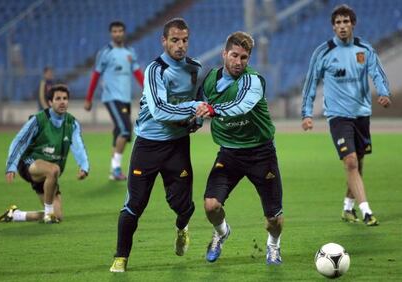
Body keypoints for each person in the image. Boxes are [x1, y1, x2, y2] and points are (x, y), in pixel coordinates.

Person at [109, 18, 203, 272]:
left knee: (184, 206)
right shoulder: (155, 70)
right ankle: (121, 257)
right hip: (148, 146)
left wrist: (197, 120)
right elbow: (160, 110)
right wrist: (194, 108)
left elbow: (200, 105)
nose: (180, 45)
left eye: (184, 40)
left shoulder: (196, 69)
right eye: (174, 40)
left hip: (177, 146)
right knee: (134, 204)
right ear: (164, 41)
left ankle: (182, 228)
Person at [196, 31, 284, 265]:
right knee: (211, 205)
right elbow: (198, 104)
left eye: (244, 57)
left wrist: (213, 111)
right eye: (234, 55)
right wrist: (193, 121)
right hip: (229, 153)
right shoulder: (209, 80)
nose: (238, 62)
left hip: (261, 153)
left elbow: (241, 105)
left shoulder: (253, 81)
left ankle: (273, 246)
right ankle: (222, 232)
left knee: (273, 219)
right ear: (224, 54)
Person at [301, 4, 391, 226]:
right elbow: (311, 82)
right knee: (350, 161)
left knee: (357, 163)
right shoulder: (323, 52)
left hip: (361, 114)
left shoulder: (364, 50)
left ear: (353, 24)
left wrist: (384, 93)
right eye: (338, 23)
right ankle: (366, 210)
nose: (342, 26)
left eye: (346, 22)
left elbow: (377, 73)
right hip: (338, 116)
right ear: (333, 27)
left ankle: (347, 208)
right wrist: (307, 113)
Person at [0, 85, 89, 224]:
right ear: (50, 102)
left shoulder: (72, 123)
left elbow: (78, 145)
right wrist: (11, 166)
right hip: (29, 163)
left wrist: (84, 166)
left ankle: (15, 215)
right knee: (53, 169)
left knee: (58, 216)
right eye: (58, 99)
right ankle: (48, 214)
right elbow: (19, 142)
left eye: (65, 98)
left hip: (49, 176)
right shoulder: (38, 120)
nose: (62, 102)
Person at [84, 21, 144, 181]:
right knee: (125, 130)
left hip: (125, 99)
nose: (117, 34)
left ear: (124, 33)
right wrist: (88, 98)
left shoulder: (130, 52)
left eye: (120, 31)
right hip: (111, 98)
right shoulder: (105, 52)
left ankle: (113, 170)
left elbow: (138, 73)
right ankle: (116, 168)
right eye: (114, 31)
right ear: (111, 34)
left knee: (119, 132)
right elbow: (96, 75)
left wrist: (149, 89)